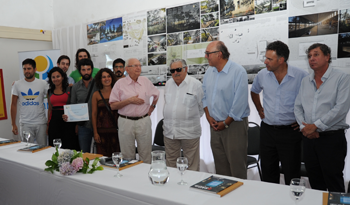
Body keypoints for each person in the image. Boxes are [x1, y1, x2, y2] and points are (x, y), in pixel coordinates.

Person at [294, 43, 350, 192]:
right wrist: (305, 128)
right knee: (315, 182)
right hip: (309, 139)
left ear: (327, 57)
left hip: (331, 140)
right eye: (309, 56)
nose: (312, 59)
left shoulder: (342, 78)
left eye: (316, 55)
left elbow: (341, 108)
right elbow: (297, 107)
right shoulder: (305, 81)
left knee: (334, 182)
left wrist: (316, 126)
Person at [250, 41, 308, 184]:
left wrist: (302, 119)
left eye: (269, 59)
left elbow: (311, 99)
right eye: (266, 57)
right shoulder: (263, 75)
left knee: (291, 173)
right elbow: (254, 91)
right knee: (268, 172)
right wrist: (259, 109)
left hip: (290, 133)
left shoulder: (301, 76)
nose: (265, 62)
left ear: (281, 60)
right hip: (267, 131)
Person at [202, 41, 250, 179]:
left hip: (233, 125)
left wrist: (226, 122)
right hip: (215, 125)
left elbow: (239, 103)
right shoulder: (209, 72)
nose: (206, 56)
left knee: (237, 167)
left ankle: (238, 199)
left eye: (208, 53)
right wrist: (208, 116)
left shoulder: (238, 71)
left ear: (219, 54)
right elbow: (203, 95)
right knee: (220, 167)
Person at [109, 58, 159, 164]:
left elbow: (156, 94)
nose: (138, 68)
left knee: (146, 155)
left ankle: (145, 179)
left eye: (140, 65)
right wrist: (129, 101)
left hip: (143, 121)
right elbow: (113, 106)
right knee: (127, 156)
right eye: (135, 66)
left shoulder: (145, 81)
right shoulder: (119, 84)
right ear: (127, 69)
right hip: (125, 121)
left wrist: (152, 107)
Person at [163, 59, 204, 171]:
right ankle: (173, 188)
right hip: (170, 132)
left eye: (178, 69)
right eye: (172, 70)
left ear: (186, 69)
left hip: (189, 132)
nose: (175, 72)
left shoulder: (196, 85)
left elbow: (202, 107)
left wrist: (188, 118)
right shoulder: (168, 84)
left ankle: (190, 187)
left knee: (191, 165)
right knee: (170, 164)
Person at [11, 58, 49, 145]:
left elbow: (54, 95)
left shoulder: (43, 84)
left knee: (42, 149)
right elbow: (13, 104)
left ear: (35, 69)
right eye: (24, 69)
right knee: (26, 150)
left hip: (41, 123)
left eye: (29, 68)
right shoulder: (17, 84)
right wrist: (13, 124)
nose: (26, 71)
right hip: (25, 123)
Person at [66, 58, 98, 153]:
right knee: (84, 153)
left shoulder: (99, 84)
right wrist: (75, 123)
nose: (86, 72)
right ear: (80, 71)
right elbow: (73, 105)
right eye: (83, 70)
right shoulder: (75, 87)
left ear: (92, 70)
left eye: (88, 69)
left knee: (100, 153)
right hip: (83, 126)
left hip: (99, 124)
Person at [47, 67, 80, 150]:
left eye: (58, 76)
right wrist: (48, 124)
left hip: (68, 123)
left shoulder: (70, 89)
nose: (55, 79)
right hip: (54, 123)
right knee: (55, 149)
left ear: (62, 77)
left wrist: (77, 125)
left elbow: (75, 107)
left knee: (70, 147)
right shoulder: (49, 91)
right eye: (53, 77)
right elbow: (50, 109)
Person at [91, 68, 120, 157]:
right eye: (104, 77)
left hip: (117, 131)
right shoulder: (96, 94)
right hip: (101, 132)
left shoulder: (118, 93)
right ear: (100, 79)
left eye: (108, 76)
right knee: (102, 158)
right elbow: (94, 114)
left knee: (117, 157)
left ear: (112, 78)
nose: (106, 79)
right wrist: (95, 133)